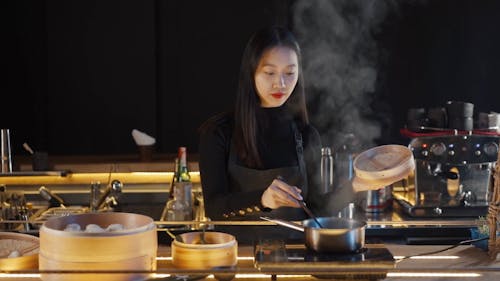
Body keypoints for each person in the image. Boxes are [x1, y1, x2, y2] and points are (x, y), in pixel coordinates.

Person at [198, 26, 322, 241]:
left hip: (295, 261)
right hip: (237, 259)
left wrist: (358, 186)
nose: (280, 84)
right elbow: (214, 208)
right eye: (270, 72)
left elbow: (317, 209)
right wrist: (262, 199)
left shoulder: (306, 134)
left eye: (290, 73)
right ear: (251, 72)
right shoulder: (218, 132)